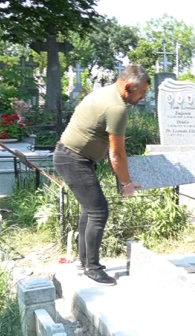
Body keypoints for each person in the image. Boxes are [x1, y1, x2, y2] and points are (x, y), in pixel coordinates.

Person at [53, 65, 150, 286]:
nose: (143, 97)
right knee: (98, 211)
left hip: (68, 155)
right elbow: (117, 154)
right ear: (128, 86)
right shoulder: (117, 108)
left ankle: (84, 262)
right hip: (74, 159)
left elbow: (108, 148)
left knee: (90, 210)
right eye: (142, 92)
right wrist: (126, 183)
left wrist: (122, 178)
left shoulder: (105, 93)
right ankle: (92, 268)